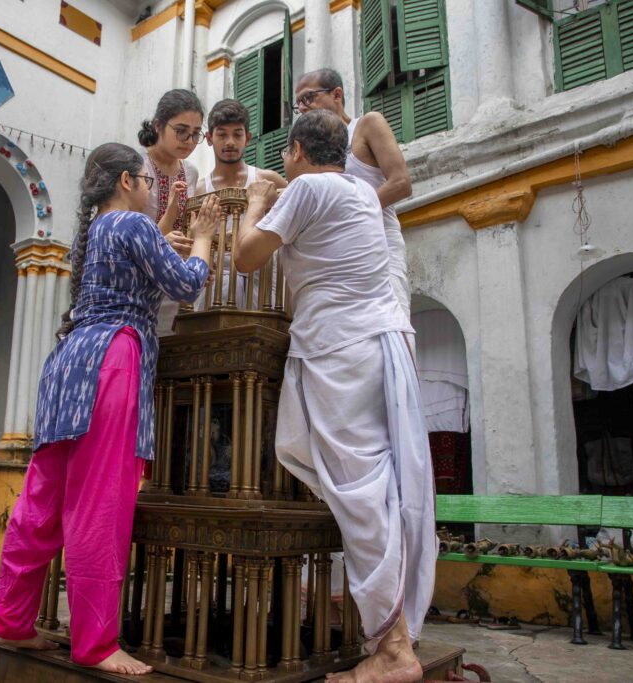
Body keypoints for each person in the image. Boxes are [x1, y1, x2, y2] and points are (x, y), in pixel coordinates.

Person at [0, 143, 221, 676]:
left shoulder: (93, 232)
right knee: (100, 504)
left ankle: (12, 621)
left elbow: (141, 255)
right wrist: (205, 237)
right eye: (146, 180)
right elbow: (186, 283)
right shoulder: (132, 225)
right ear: (126, 182)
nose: (149, 189)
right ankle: (95, 644)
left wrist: (168, 222)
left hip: (69, 364)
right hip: (112, 361)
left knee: (41, 505)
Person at [233, 111, 436, 683]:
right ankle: (389, 631)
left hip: (339, 350)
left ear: (298, 150)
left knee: (360, 494)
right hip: (374, 344)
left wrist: (255, 203)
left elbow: (246, 257)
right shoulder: (361, 192)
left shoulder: (312, 189)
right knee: (374, 489)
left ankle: (394, 650)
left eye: (286, 155)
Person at [294, 68, 413, 323]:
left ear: (337, 95)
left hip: (379, 249)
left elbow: (401, 183)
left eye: (308, 98)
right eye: (298, 104)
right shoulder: (311, 154)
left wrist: (348, 213)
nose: (302, 108)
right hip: (334, 260)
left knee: (391, 325)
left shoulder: (367, 125)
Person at [197, 98, 287, 308]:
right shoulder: (201, 188)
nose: (230, 142)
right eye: (222, 134)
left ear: (247, 138)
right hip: (214, 287)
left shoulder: (267, 179)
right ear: (209, 138)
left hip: (261, 282)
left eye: (237, 134)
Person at [137, 89, 205, 335]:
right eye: (181, 131)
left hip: (172, 283)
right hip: (136, 280)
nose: (189, 141)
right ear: (158, 126)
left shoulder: (191, 173)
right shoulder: (136, 166)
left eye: (195, 134)